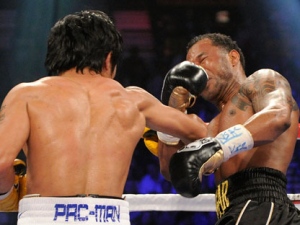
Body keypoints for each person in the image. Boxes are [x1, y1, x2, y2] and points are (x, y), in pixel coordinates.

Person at [0, 10, 210, 225]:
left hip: (43, 216)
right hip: (110, 217)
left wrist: (5, 196)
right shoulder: (135, 101)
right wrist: (174, 114)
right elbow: (205, 135)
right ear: (109, 58)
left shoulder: (27, 95)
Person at [157, 33, 300, 224]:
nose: (197, 71)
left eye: (202, 60)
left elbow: (279, 115)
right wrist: (171, 108)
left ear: (233, 57)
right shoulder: (211, 126)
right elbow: (170, 171)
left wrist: (217, 146)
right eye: (191, 67)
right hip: (232, 210)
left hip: (261, 205)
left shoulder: (261, 80)